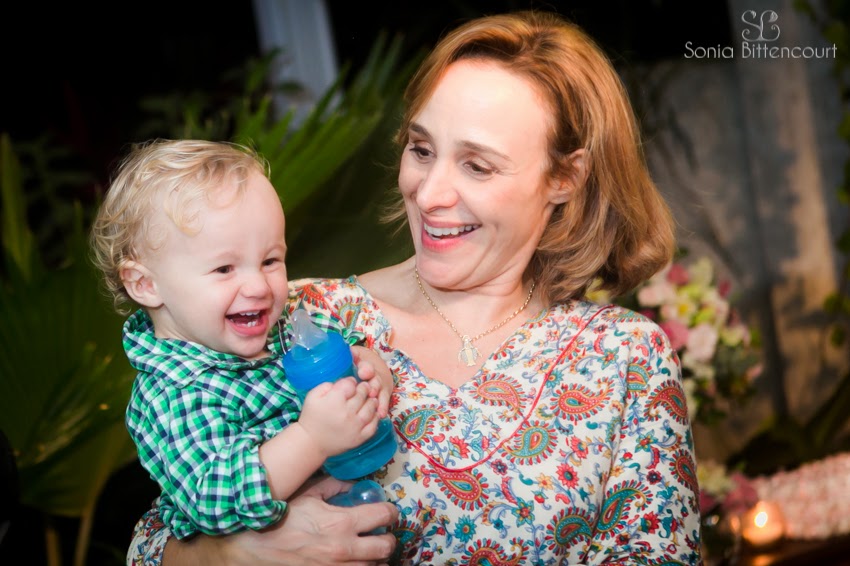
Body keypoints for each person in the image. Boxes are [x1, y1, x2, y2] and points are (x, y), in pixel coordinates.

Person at [127, 10, 701, 565]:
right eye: (421, 150)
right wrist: (230, 557)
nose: (428, 194)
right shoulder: (293, 317)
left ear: (564, 177)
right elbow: (155, 536)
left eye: (477, 166)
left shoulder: (622, 355)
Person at [89, 139, 395, 540]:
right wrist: (312, 439)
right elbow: (214, 498)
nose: (259, 286)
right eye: (224, 269)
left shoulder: (287, 324)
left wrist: (369, 366)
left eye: (270, 260)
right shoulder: (175, 394)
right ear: (146, 284)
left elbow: (349, 343)